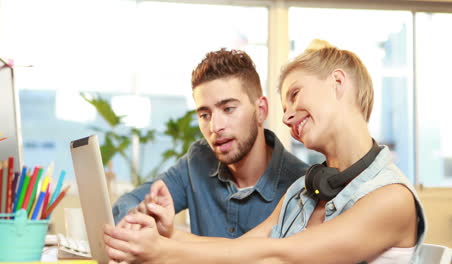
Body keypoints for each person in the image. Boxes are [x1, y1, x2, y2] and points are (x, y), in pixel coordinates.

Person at [104, 40, 426, 264]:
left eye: (295, 94)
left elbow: (278, 256)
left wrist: (161, 252)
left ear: (337, 83)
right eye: (285, 106)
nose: (286, 116)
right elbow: (240, 251)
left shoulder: (392, 198)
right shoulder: (304, 190)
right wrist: (167, 235)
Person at [111, 48, 308, 238]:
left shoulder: (301, 185)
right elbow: (127, 203)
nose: (215, 127)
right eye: (205, 115)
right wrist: (137, 220)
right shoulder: (198, 161)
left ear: (261, 110)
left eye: (228, 109)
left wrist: (170, 238)